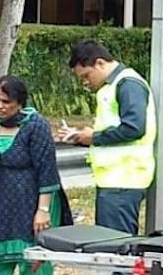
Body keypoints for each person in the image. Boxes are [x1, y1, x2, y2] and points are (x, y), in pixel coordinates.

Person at [0, 75, 72, 275]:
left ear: (20, 104)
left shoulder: (36, 125)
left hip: (34, 200)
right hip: (0, 201)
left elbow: (47, 170)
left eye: (6, 102)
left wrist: (43, 210)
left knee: (33, 262)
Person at [59, 39, 157, 236]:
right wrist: (82, 137)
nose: (85, 83)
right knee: (110, 246)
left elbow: (134, 128)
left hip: (124, 179)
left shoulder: (128, 84)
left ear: (100, 63)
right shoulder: (112, 87)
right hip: (116, 179)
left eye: (86, 76)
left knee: (116, 248)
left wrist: (93, 137)